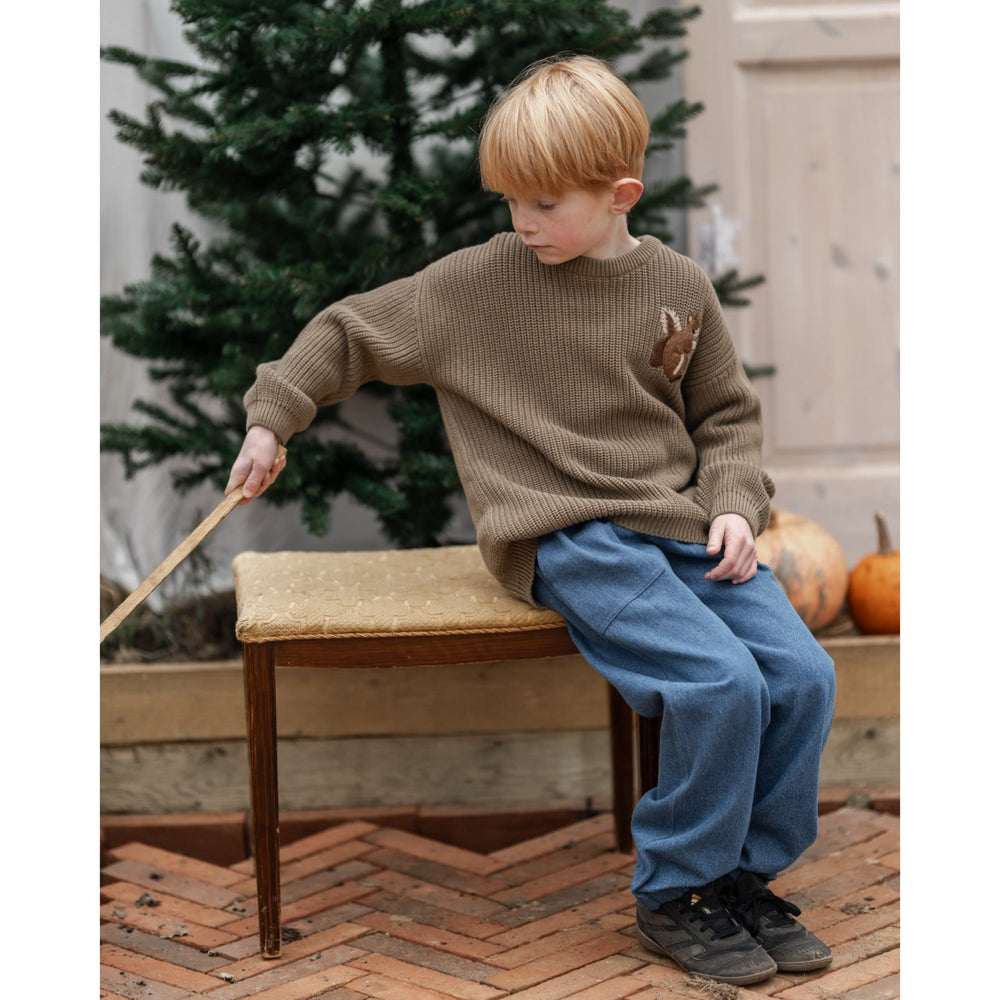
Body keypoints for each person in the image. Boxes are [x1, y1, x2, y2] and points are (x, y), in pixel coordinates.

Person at [225, 54, 837, 987]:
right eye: (510, 199)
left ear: (620, 195)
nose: (522, 221)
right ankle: (677, 891)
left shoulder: (678, 287)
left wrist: (733, 505)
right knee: (719, 683)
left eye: (545, 203)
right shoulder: (476, 285)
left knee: (802, 674)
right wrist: (273, 418)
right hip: (569, 537)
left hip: (684, 528)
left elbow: (724, 419)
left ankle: (739, 880)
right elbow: (350, 330)